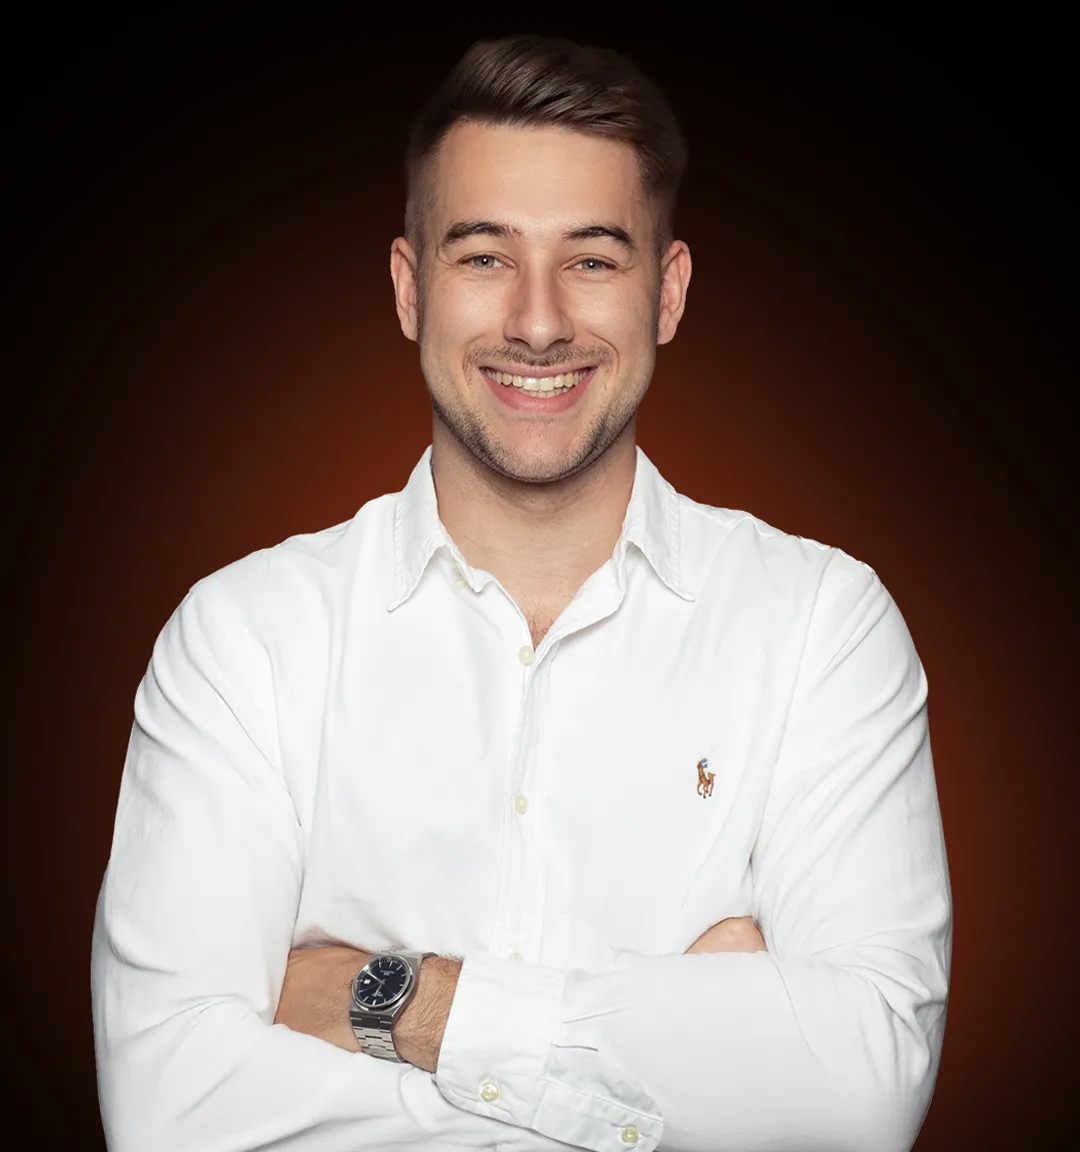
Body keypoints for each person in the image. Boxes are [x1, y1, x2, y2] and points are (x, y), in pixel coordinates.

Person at [91, 34, 952, 1152]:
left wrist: (394, 1003)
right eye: (485, 256)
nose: (538, 323)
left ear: (668, 293)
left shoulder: (822, 630)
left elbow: (860, 1101)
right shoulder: (241, 643)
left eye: (591, 260)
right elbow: (170, 1114)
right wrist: (689, 1062)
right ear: (410, 289)